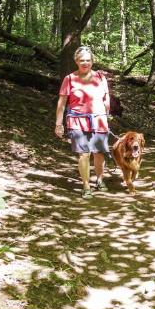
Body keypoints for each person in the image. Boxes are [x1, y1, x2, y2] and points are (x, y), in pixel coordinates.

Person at [54, 46, 111, 198]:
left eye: (88, 60)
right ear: (76, 61)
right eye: (81, 60)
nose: (85, 63)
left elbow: (106, 98)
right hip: (77, 121)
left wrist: (107, 114)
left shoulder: (100, 77)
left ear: (92, 61)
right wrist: (58, 124)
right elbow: (61, 103)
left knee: (99, 153)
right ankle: (86, 186)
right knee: (84, 154)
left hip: (99, 120)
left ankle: (99, 179)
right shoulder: (70, 79)